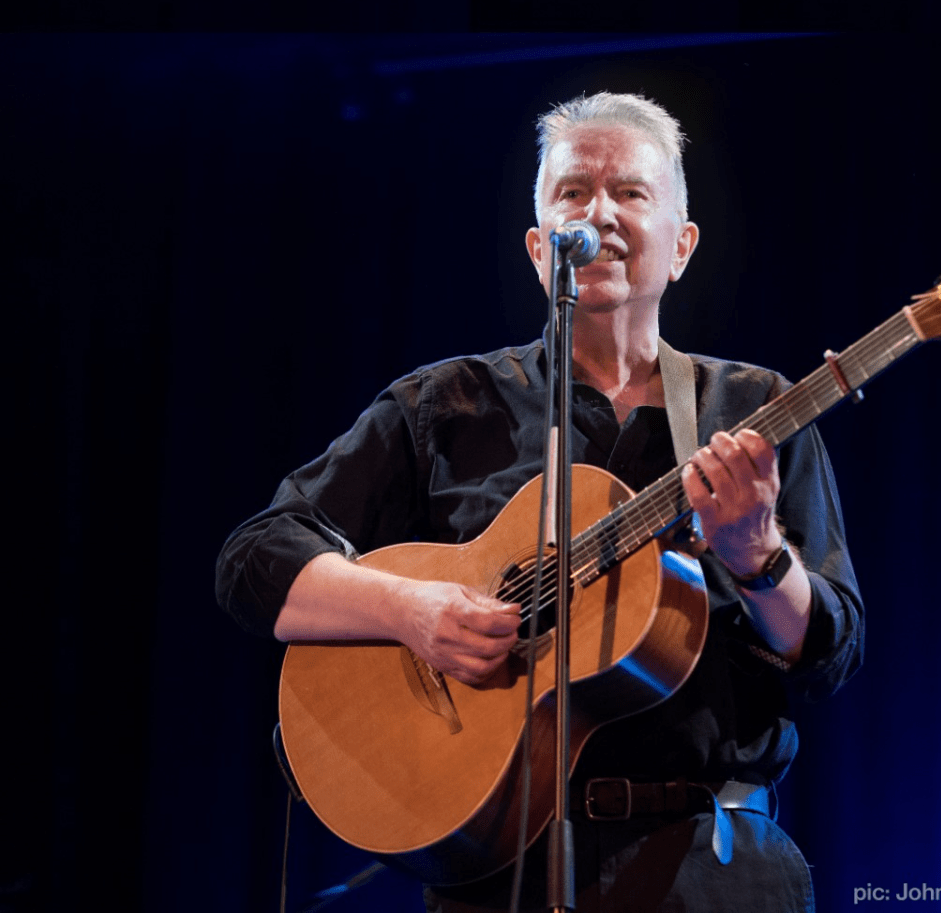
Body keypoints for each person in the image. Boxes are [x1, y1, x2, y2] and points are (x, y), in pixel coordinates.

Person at [216, 92, 864, 912]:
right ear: (538, 248)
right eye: (573, 192)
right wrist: (415, 610)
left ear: (682, 247)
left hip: (714, 871)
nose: (600, 211)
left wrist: (757, 556)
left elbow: (830, 654)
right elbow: (256, 560)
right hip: (501, 871)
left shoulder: (755, 410)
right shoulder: (448, 404)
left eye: (631, 191)